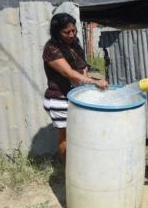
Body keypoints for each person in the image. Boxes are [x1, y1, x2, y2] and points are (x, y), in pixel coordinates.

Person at [42, 13, 108, 162]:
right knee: (66, 136)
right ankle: (69, 172)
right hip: (59, 98)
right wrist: (94, 82)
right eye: (66, 32)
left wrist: (92, 78)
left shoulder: (73, 44)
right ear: (56, 32)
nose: (71, 34)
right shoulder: (51, 49)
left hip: (76, 96)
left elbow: (82, 67)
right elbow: (69, 73)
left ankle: (81, 167)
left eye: (74, 30)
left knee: (81, 134)